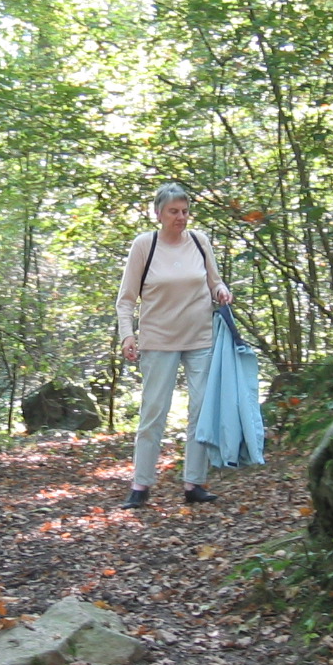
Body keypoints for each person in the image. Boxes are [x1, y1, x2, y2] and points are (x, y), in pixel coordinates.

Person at [115, 183, 232, 508]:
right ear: (158, 214)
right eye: (173, 211)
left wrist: (221, 291)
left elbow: (214, 281)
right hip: (159, 339)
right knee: (154, 412)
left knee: (201, 411)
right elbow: (125, 300)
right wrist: (128, 335)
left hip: (200, 338)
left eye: (184, 211)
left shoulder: (199, 241)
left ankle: (194, 483)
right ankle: (140, 486)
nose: (180, 217)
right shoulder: (144, 245)